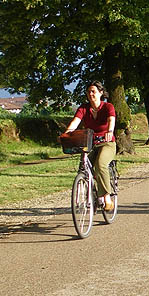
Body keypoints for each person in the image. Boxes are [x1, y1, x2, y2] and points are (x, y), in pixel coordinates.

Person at [62, 81, 117, 211]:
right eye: (88, 92)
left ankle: (107, 197)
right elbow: (75, 122)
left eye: (93, 91)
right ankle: (93, 195)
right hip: (90, 143)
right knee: (85, 168)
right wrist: (67, 134)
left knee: (101, 164)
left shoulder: (108, 107)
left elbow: (111, 120)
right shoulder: (84, 108)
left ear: (100, 93)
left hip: (107, 142)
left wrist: (109, 132)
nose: (90, 94)